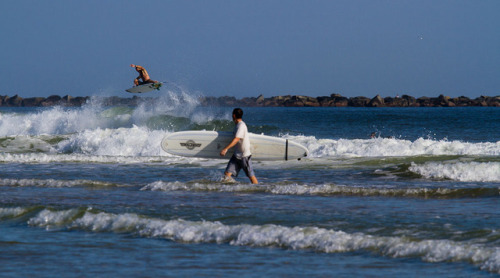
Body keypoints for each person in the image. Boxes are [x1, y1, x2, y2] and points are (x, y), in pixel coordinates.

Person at [220, 108, 258, 184]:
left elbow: (237, 139)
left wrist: (225, 149)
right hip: (236, 155)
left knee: (251, 176)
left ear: (234, 115)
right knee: (226, 176)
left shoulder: (241, 126)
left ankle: (258, 190)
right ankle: (234, 190)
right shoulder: (237, 125)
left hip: (244, 156)